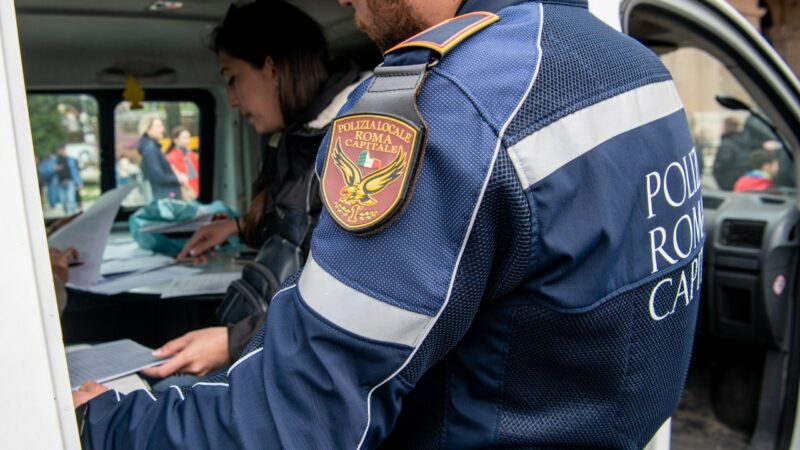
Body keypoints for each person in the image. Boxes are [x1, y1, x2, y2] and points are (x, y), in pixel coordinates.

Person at [75, 1, 702, 448]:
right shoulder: (635, 66)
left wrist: (99, 423)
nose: (344, 0)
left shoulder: (448, 107)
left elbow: (295, 423)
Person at [138, 1, 362, 382]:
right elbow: (297, 229)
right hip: (273, 341)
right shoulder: (294, 139)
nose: (231, 100)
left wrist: (233, 342)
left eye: (232, 77)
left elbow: (353, 294)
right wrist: (238, 227)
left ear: (272, 69)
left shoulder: (355, 136)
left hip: (305, 361)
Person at [137, 115, 181, 200]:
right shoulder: (150, 149)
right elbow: (158, 176)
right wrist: (177, 178)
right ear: (148, 130)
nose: (163, 129)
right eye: (158, 126)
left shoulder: (151, 147)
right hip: (163, 198)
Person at [165, 127, 200, 199]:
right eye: (185, 138)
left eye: (189, 137)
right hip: (184, 192)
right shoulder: (170, 157)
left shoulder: (193, 155)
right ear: (176, 140)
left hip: (196, 190)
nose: (188, 141)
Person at [54, 145, 82, 215]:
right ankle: (66, 214)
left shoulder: (70, 160)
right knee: (63, 201)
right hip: (60, 183)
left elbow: (75, 172)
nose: (62, 152)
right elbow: (50, 171)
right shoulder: (55, 160)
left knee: (71, 199)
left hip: (70, 182)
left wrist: (79, 183)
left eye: (63, 150)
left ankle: (73, 215)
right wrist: (54, 169)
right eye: (60, 150)